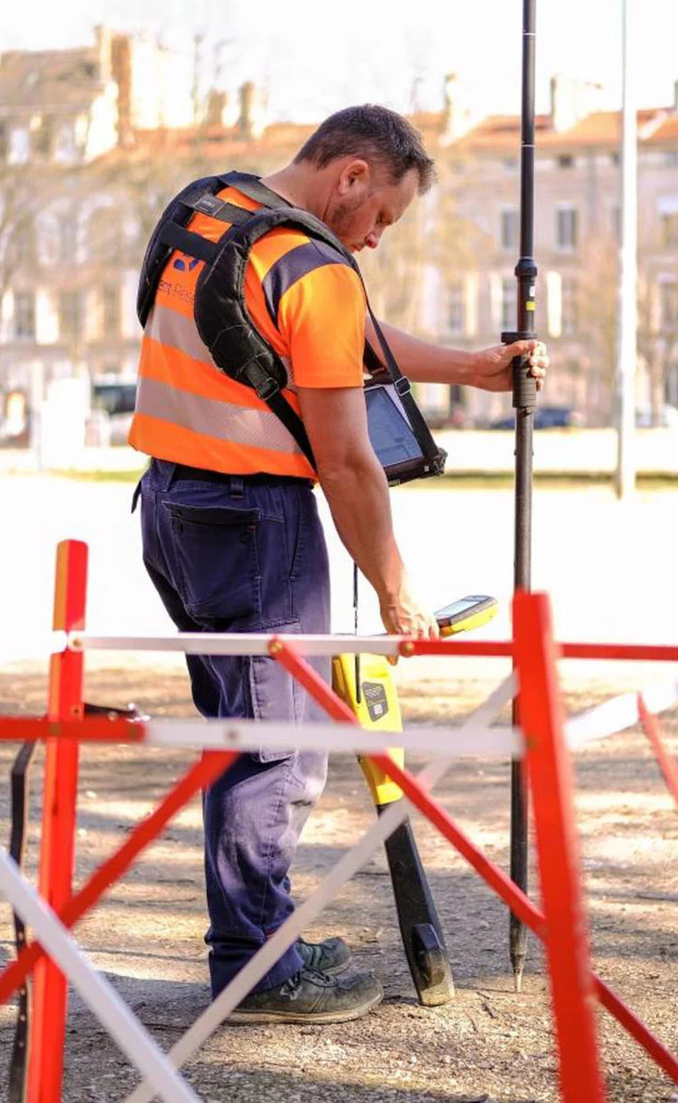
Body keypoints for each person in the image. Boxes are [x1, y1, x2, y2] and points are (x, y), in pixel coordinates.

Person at [129, 104, 548, 1025]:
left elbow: (333, 334)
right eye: (384, 218)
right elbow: (349, 461)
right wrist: (397, 593)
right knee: (281, 748)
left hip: (170, 503)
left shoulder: (215, 212)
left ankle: (255, 937)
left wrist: (469, 367)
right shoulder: (317, 267)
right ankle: (256, 968)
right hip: (253, 521)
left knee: (240, 732)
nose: (378, 239)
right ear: (352, 176)